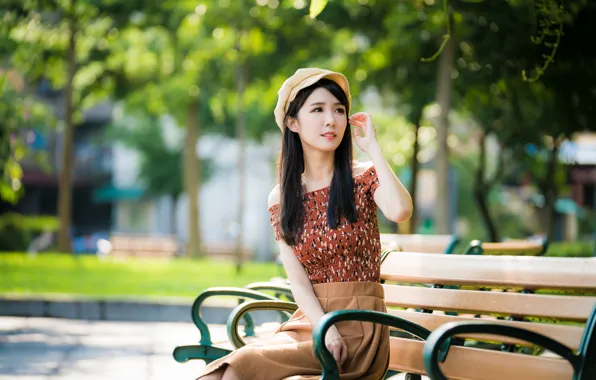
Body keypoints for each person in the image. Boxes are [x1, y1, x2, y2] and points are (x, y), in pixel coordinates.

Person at [196, 68, 413, 380]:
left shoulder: (362, 177)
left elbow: (400, 210)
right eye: (318, 109)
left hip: (358, 324)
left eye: (339, 110)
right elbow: (298, 281)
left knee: (237, 370)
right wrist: (323, 328)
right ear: (292, 123)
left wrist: (375, 150)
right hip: (311, 323)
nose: (331, 120)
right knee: (215, 375)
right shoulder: (282, 198)